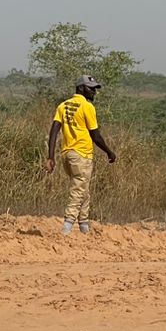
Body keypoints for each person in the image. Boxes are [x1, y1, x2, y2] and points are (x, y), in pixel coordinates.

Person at [43, 74, 117, 235]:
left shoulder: (63, 106)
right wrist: (109, 152)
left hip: (67, 155)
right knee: (78, 191)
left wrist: (51, 157)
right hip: (82, 155)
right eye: (91, 89)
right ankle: (66, 228)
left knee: (84, 190)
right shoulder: (87, 107)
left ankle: (84, 227)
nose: (94, 93)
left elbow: (54, 131)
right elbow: (95, 136)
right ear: (81, 88)